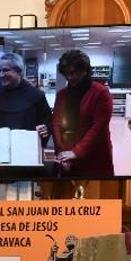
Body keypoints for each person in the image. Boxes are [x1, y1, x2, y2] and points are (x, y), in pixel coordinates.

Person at [51, 49, 114, 178]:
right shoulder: (61, 94)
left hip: (94, 156)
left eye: (74, 73)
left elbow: (99, 127)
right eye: (67, 74)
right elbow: (56, 123)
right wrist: (63, 152)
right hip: (66, 157)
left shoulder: (100, 92)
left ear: (85, 70)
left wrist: (76, 152)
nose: (70, 77)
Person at [0, 52, 51, 137]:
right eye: (0, 70)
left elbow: (47, 124)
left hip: (27, 147)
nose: (1, 75)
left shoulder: (36, 96)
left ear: (19, 71)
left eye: (6, 70)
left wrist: (44, 129)